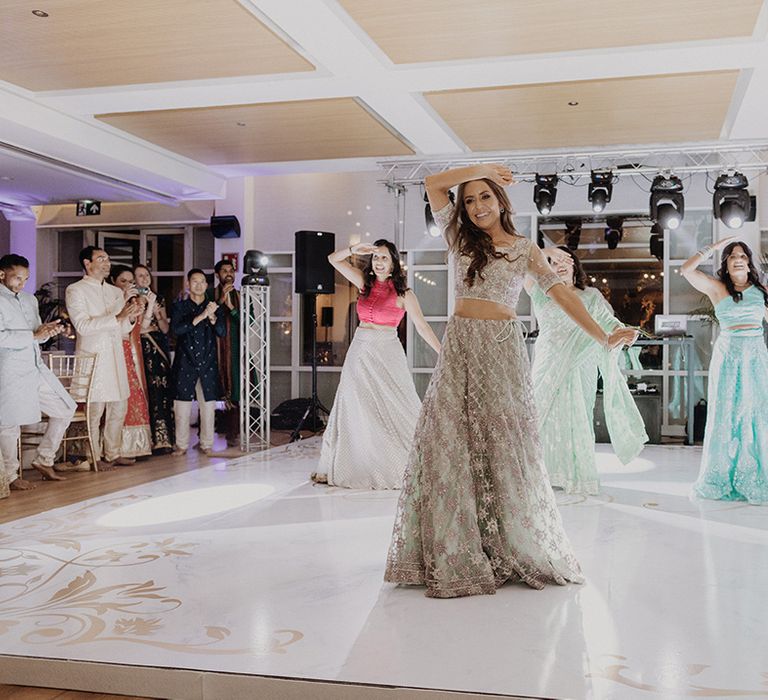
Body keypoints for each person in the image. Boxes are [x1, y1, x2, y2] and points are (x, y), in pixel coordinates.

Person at [384, 165, 636, 598]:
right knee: (448, 439)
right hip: (461, 346)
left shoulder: (523, 249)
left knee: (503, 441)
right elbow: (432, 184)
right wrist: (481, 169)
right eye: (469, 200)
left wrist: (604, 336)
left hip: (502, 350)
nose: (477, 206)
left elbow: (562, 295)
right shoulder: (459, 238)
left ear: (501, 201)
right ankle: (453, 543)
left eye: (485, 196)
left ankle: (505, 539)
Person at [312, 239, 441, 489]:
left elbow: (423, 328)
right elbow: (332, 259)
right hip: (360, 349)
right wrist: (353, 250)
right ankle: (357, 464)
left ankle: (408, 462)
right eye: (376, 258)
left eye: (384, 258)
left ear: (393, 263)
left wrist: (443, 353)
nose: (379, 262)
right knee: (354, 405)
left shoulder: (405, 294)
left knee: (396, 404)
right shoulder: (364, 284)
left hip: (387, 350)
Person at [526, 246, 647, 496]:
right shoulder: (539, 291)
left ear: (575, 266)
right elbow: (519, 262)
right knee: (540, 416)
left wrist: (623, 333)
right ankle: (538, 473)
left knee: (577, 417)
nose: (559, 265)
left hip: (581, 363)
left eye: (564, 261)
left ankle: (574, 474)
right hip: (548, 362)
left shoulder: (590, 296)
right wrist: (545, 252)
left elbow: (607, 322)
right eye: (553, 262)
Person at [681, 237, 768, 504]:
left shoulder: (761, 290)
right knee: (726, 412)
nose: (738, 258)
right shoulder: (717, 288)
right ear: (726, 264)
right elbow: (686, 270)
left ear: (749, 262)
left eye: (742, 255)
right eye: (732, 256)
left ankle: (754, 473)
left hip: (755, 354)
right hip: (728, 355)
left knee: (755, 412)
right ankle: (722, 474)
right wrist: (716, 246)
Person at [0, 254, 76, 489]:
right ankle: (10, 476)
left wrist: (49, 331)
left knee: (65, 408)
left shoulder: (30, 299)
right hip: (10, 367)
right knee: (9, 422)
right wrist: (34, 335)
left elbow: (36, 333)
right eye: (17, 278)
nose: (22, 284)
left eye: (26, 279)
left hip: (35, 366)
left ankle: (44, 459)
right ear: (1, 275)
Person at [66, 247, 142, 469]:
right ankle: (93, 456)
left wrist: (130, 317)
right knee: (95, 408)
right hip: (94, 356)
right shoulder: (76, 290)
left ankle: (113, 452)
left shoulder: (114, 292)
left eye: (108, 259)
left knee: (119, 406)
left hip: (115, 354)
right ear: (87, 263)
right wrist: (117, 316)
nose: (107, 263)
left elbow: (122, 330)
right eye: (101, 259)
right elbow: (82, 326)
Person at [170, 268, 226, 457]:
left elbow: (221, 332)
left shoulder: (213, 306)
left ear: (207, 285)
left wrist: (211, 316)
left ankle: (207, 444)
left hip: (208, 362)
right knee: (182, 406)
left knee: (208, 406)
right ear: (188, 284)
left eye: (203, 281)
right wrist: (200, 317)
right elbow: (176, 330)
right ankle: (181, 445)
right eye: (195, 281)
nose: (199, 285)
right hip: (185, 361)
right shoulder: (179, 307)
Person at [109, 266, 152, 460]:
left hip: (129, 350)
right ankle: (110, 449)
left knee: (133, 395)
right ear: (113, 281)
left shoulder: (133, 301)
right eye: (122, 281)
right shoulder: (112, 299)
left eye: (129, 281)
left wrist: (147, 306)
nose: (127, 285)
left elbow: (139, 328)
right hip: (112, 349)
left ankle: (131, 446)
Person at [133, 264, 175, 454]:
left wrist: (158, 313)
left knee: (162, 391)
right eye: (140, 276)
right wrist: (149, 307)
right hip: (142, 347)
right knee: (147, 391)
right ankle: (146, 440)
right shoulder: (132, 300)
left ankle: (164, 439)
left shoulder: (158, 298)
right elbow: (140, 329)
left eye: (146, 275)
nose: (144, 278)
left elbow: (165, 328)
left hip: (159, 346)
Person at [210, 259, 240, 447]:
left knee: (235, 389)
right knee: (211, 390)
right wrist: (221, 301)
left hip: (236, 350)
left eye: (231, 270)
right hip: (213, 348)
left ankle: (233, 433)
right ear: (217, 275)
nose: (228, 274)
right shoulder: (208, 294)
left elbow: (249, 322)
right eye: (224, 271)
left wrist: (232, 308)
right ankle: (207, 434)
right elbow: (207, 318)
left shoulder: (241, 296)